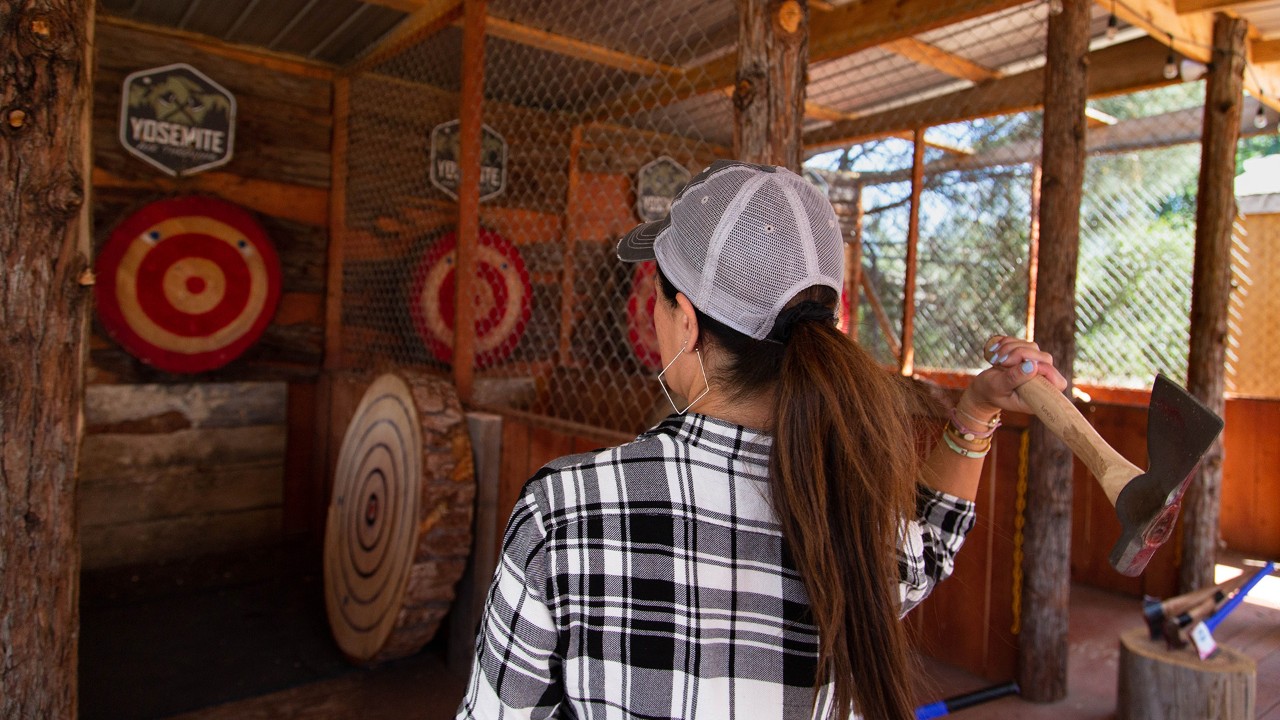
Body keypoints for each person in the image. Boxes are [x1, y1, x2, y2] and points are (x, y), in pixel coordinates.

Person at [456, 160, 1066, 720]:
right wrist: (979, 409)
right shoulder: (858, 510)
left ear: (687, 322)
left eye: (661, 302)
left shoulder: (564, 513)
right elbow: (928, 548)